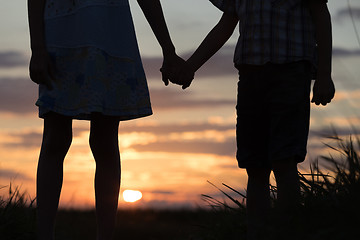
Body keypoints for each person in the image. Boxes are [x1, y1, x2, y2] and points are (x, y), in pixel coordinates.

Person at [162, 0, 335, 239]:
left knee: (285, 160)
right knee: (255, 166)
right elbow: (227, 23)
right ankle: (258, 233)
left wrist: (324, 74)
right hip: (251, 74)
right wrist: (190, 66)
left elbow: (320, 12)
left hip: (292, 71)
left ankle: (289, 232)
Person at [28, 0, 184, 239]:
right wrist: (37, 48)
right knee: (55, 138)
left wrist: (169, 49)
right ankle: (43, 235)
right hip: (61, 37)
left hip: (111, 37)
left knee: (105, 142)